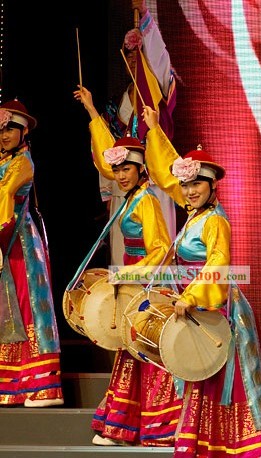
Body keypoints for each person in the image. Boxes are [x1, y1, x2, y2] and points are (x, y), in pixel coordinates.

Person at [142, 105, 261, 457]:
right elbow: (163, 170)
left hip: (215, 307)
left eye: (196, 184)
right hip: (195, 305)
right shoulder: (195, 214)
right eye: (186, 184)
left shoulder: (214, 221)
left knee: (225, 380)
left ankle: (239, 447)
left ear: (211, 184)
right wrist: (155, 129)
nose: (189, 191)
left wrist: (192, 297)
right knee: (201, 377)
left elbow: (218, 263)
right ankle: (205, 444)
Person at [87, 133, 182, 446]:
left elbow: (160, 249)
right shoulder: (132, 199)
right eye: (117, 170)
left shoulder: (147, 201)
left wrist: (127, 274)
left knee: (147, 349)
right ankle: (125, 424)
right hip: (134, 281)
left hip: (149, 283)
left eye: (126, 169)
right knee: (130, 351)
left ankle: (159, 426)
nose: (121, 175)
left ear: (141, 169)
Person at [73, 0, 177, 267]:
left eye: (137, 55)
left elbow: (160, 56)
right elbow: (109, 147)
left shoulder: (157, 92)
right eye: (128, 56)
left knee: (157, 252)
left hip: (154, 183)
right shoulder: (118, 104)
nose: (133, 61)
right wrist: (107, 191)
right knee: (123, 257)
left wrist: (143, 17)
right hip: (124, 186)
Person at [0, 99, 64, 408]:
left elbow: (5, 194)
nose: (5, 134)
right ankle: (12, 382)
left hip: (20, 245)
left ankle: (43, 385)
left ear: (24, 131)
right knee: (8, 309)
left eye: (11, 128)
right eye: (1, 128)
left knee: (29, 308)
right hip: (4, 244)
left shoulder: (22, 163)